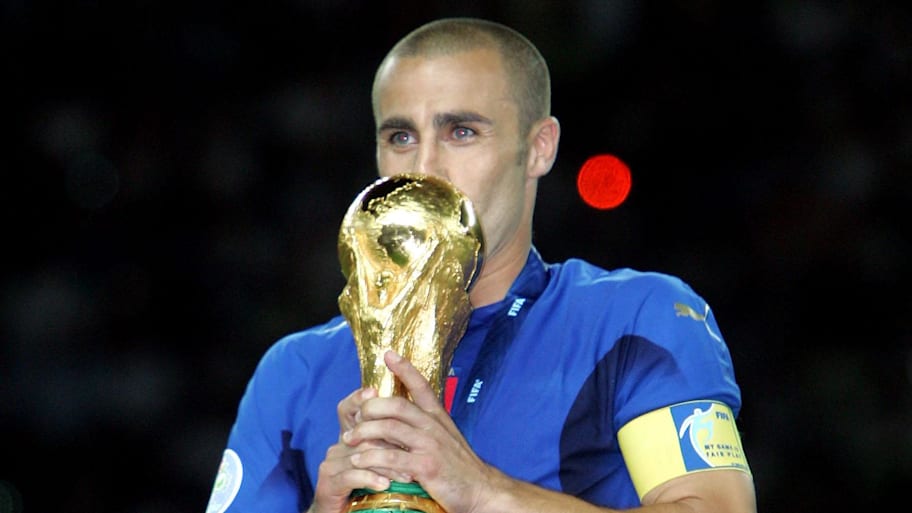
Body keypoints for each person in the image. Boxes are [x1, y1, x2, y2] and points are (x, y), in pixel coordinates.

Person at [205, 17, 757, 513]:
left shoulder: (635, 320)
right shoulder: (296, 369)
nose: (424, 167)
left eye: (461, 132)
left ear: (539, 148)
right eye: (400, 136)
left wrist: (485, 492)